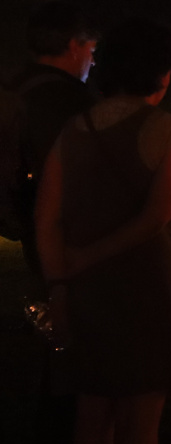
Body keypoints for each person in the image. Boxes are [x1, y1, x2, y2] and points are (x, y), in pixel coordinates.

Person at [35, 18, 171, 444]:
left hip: (84, 293)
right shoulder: (170, 131)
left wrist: (62, 279)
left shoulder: (74, 131)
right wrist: (89, 258)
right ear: (162, 74)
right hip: (146, 286)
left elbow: (46, 215)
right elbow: (156, 219)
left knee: (92, 409)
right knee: (140, 420)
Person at [10, 1, 97, 289]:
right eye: (91, 51)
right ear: (74, 45)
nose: (92, 61)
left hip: (26, 220)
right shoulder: (71, 101)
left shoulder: (15, 89)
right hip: (68, 233)